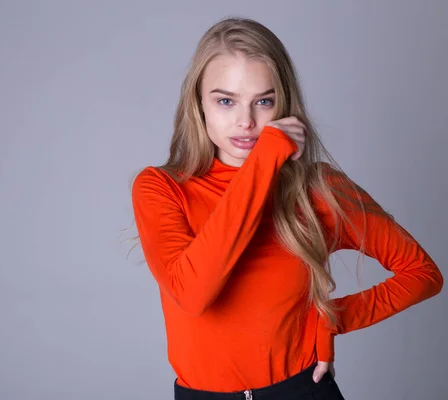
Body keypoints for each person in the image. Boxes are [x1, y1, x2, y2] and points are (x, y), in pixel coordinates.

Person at [129, 17, 443, 400]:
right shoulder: (160, 188)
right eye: (225, 100)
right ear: (198, 103)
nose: (246, 121)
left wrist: (332, 318)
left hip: (301, 391)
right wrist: (266, 158)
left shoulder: (318, 189)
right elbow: (193, 293)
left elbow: (422, 273)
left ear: (284, 104)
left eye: (264, 101)